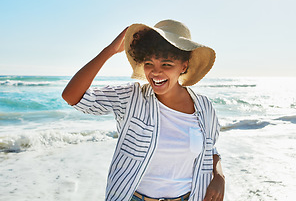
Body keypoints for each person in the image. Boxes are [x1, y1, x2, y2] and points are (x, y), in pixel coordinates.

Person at [62, 19, 225, 201]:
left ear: (183, 66)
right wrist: (109, 51)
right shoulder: (131, 97)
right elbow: (72, 97)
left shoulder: (204, 107)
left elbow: (210, 148)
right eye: (149, 63)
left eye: (166, 64)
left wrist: (219, 176)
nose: (155, 73)